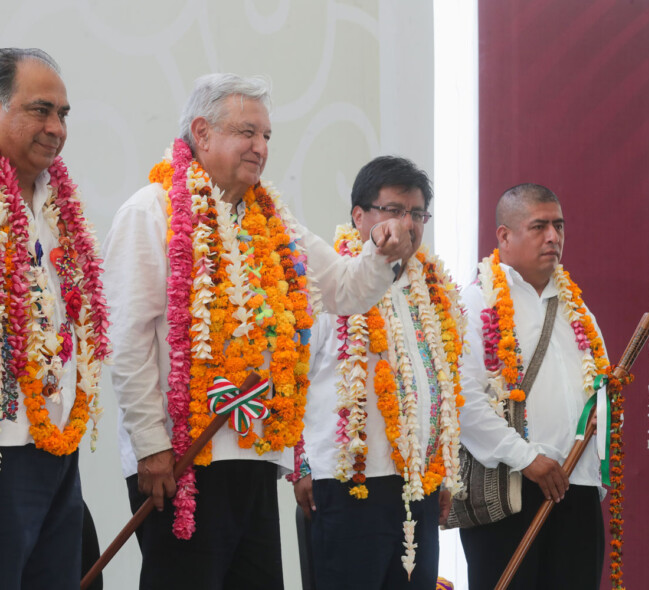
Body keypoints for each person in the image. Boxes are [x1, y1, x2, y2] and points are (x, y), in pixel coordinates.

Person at [103, 74, 415, 590]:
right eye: (248, 132)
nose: (260, 147)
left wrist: (379, 253)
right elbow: (129, 340)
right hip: (183, 458)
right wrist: (150, 446)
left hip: (254, 454)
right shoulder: (151, 210)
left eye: (267, 136)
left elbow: (343, 289)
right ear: (201, 132)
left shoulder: (274, 222)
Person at [291, 155, 464, 590]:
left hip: (417, 489)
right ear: (359, 216)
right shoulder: (331, 284)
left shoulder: (435, 293)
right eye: (394, 210)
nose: (408, 223)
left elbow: (438, 389)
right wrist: (303, 466)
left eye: (417, 213)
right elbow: (293, 377)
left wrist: (439, 472)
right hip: (349, 483)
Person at [457, 184, 609, 590]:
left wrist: (596, 470)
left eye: (558, 226)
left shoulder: (579, 311)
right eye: (539, 226)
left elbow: (602, 396)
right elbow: (463, 400)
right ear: (504, 236)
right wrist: (527, 459)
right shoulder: (475, 303)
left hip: (576, 488)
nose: (553, 237)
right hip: (509, 489)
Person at [0, 48, 109, 589]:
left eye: (63, 115)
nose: (55, 127)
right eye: (40, 110)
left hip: (55, 439)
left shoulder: (56, 203)